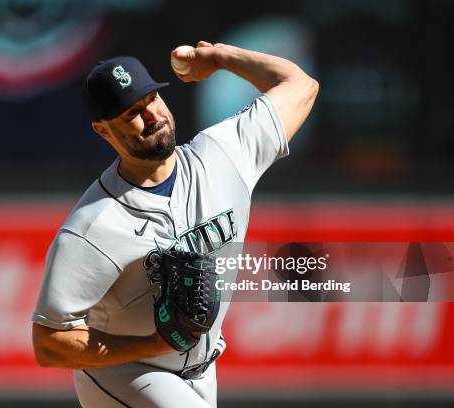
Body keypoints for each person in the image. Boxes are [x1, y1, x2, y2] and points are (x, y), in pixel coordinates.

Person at [32, 40, 318, 407]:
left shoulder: (223, 156)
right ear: (103, 131)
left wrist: (218, 58)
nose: (151, 115)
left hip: (202, 371)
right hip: (127, 372)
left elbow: (300, 85)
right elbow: (48, 343)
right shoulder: (93, 225)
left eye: (151, 99)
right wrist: (152, 344)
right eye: (131, 112)